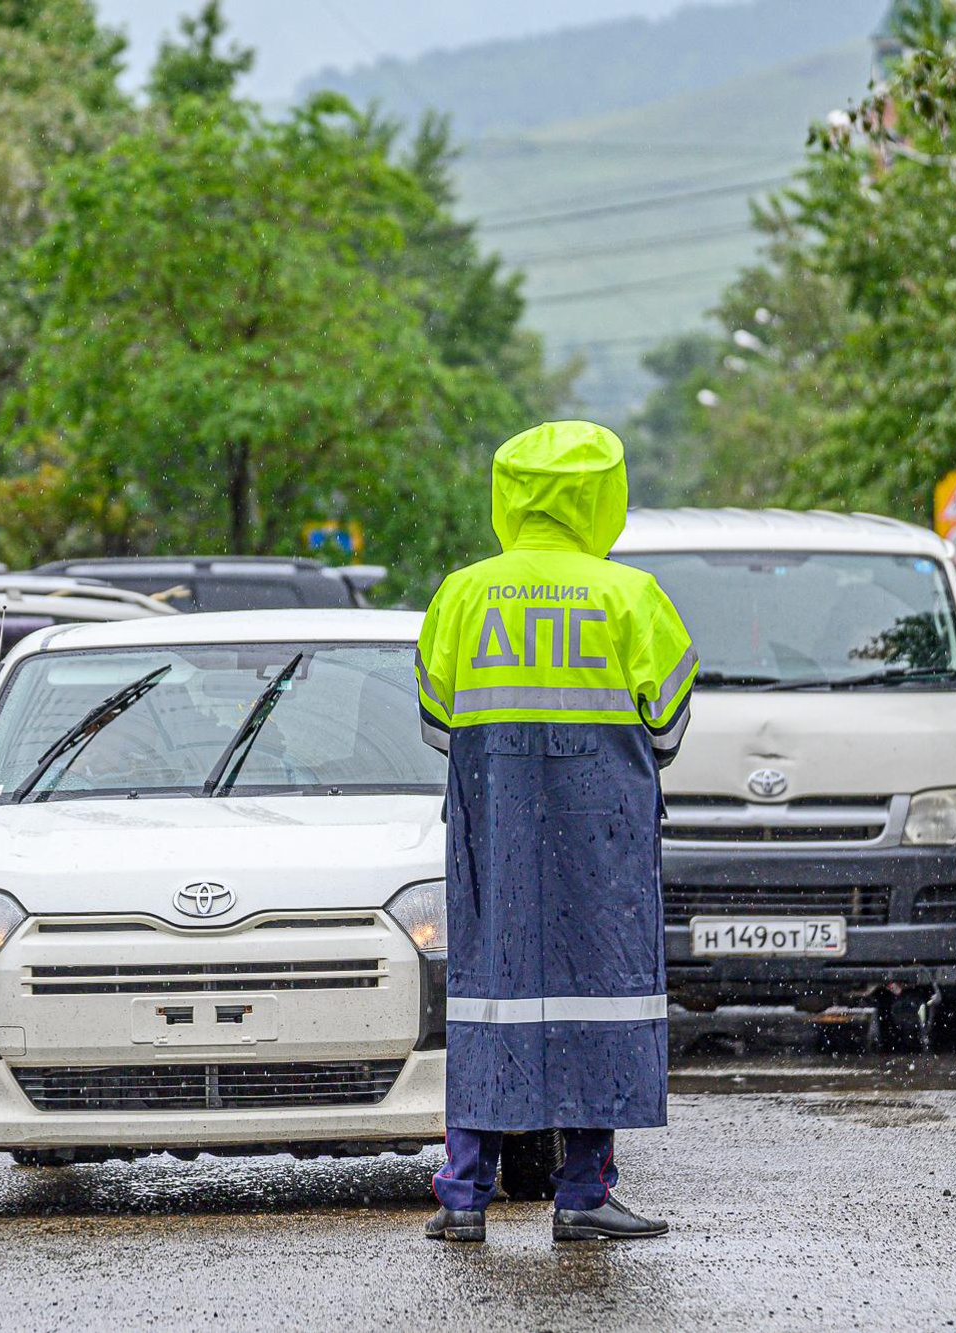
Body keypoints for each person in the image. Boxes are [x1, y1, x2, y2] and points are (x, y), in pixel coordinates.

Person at [414, 421, 697, 1245]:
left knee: (487, 998)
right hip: (600, 843)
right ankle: (582, 1192)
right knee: (597, 1000)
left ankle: (463, 1196)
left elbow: (437, 722)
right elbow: (669, 730)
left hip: (494, 838)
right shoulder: (631, 597)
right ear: (601, 497)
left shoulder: (463, 593)